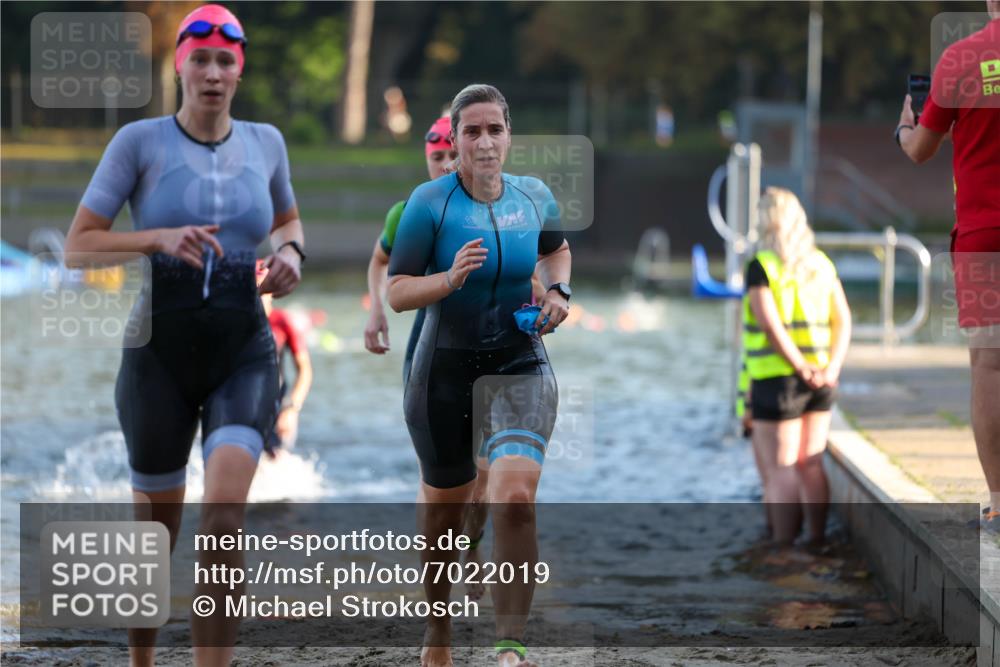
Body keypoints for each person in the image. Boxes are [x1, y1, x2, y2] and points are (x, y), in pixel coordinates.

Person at [63, 5, 304, 665]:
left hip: (243, 351)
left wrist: (292, 256)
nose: (213, 73)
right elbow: (78, 248)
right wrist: (156, 237)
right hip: (157, 356)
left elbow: (289, 222)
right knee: (155, 535)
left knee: (223, 519)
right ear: (179, 65)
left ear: (239, 70)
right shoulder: (139, 143)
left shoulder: (267, 142)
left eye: (226, 61)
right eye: (200, 59)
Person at [387, 83, 571, 667]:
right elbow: (396, 291)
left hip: (519, 358)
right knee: (446, 513)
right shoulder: (428, 204)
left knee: (515, 497)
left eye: (495, 130)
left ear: (509, 136)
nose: (485, 142)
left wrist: (560, 290)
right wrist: (448, 279)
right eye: (473, 132)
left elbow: (557, 251)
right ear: (457, 140)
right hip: (443, 368)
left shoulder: (534, 195)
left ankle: (510, 649)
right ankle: (437, 632)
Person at [896, 1, 1000, 530]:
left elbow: (919, 150)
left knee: (990, 364)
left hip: (984, 234)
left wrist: (904, 125)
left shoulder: (962, 59)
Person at [743, 187, 851, 546]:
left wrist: (799, 368)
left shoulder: (762, 267)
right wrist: (830, 368)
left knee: (782, 468)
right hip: (823, 379)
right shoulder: (822, 263)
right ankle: (817, 539)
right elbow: (843, 320)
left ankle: (783, 547)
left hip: (778, 380)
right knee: (811, 463)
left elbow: (771, 327)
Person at [258, 261, 312, 452]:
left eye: (263, 291)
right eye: (255, 291)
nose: (259, 297)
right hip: (247, 400)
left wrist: (291, 408)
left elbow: (304, 370)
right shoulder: (238, 322)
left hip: (279, 403)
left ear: (271, 292)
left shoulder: (282, 321)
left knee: (276, 457)